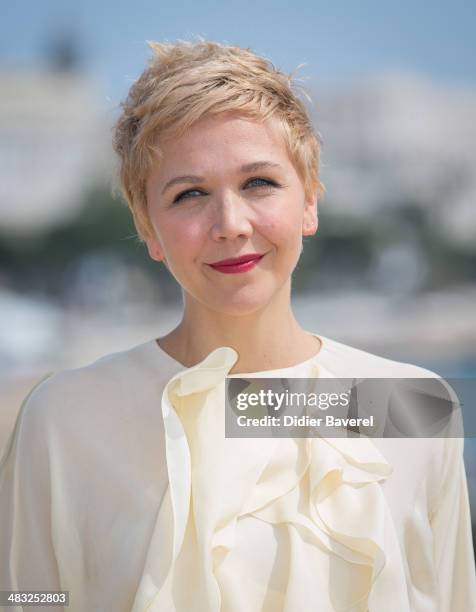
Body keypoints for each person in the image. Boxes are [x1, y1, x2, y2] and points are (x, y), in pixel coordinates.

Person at [1, 38, 475, 612]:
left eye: (258, 183)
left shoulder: (413, 404)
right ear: (148, 228)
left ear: (310, 202)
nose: (230, 223)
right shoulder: (65, 417)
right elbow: (27, 598)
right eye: (190, 194)